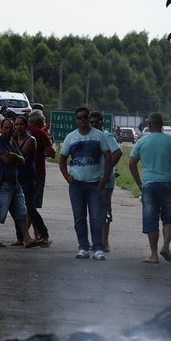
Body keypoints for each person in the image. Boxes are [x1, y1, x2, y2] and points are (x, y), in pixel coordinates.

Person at [128, 112, 171, 264]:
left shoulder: (142, 142)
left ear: (150, 125)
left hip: (149, 185)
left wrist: (139, 183)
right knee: (170, 217)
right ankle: (165, 246)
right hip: (168, 184)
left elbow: (131, 164)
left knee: (151, 219)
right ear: (162, 125)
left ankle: (154, 255)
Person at [58, 106, 111, 260]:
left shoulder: (99, 136)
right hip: (76, 183)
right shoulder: (71, 137)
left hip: (95, 183)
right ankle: (83, 247)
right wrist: (67, 177)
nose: (83, 120)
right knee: (79, 217)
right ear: (76, 120)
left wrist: (105, 177)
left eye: (85, 117)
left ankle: (98, 248)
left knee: (96, 216)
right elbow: (62, 159)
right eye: (79, 117)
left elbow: (108, 157)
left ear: (89, 119)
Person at [0, 118, 43, 248]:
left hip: (15, 182)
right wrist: (14, 157)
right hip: (3, 182)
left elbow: (22, 160)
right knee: (0, 210)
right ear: (1, 129)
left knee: (21, 212)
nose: (9, 130)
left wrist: (14, 156)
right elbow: (6, 159)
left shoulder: (12, 142)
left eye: (11, 128)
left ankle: (27, 239)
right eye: (6, 128)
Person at [12, 115, 51, 247]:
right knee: (17, 208)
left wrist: (12, 144)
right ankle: (20, 238)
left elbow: (20, 155)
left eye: (21, 125)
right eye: (16, 125)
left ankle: (44, 234)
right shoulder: (14, 138)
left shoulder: (31, 139)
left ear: (26, 125)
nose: (18, 127)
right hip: (16, 176)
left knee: (30, 207)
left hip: (27, 177)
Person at [90, 111, 122, 252]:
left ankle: (104, 243)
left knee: (104, 210)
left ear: (102, 122)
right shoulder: (91, 137)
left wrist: (107, 171)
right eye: (92, 122)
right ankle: (98, 242)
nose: (94, 124)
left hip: (106, 180)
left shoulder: (106, 135)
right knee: (95, 211)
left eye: (97, 122)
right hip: (93, 179)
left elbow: (118, 152)